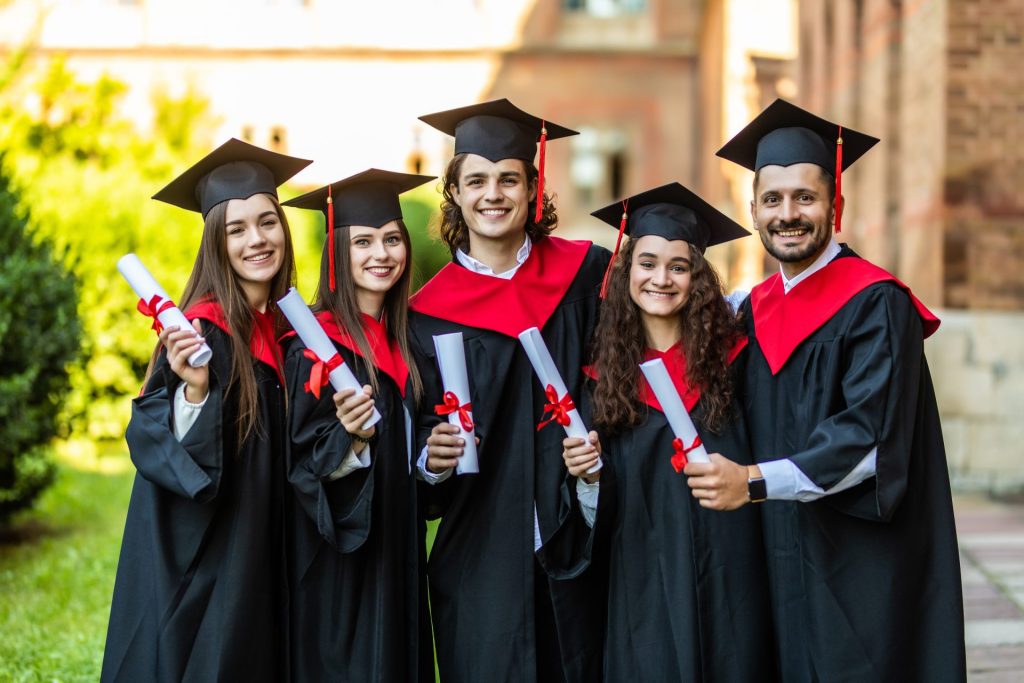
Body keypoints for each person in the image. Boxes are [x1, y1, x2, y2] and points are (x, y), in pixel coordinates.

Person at [687, 98, 965, 681]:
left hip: (858, 568)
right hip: (773, 559)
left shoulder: (876, 304)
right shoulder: (749, 312)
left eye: (804, 198)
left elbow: (867, 444)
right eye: (772, 200)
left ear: (835, 205)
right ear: (753, 210)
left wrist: (753, 481)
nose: (787, 214)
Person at [408, 98, 611, 682]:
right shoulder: (426, 315)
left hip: (582, 543)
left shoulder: (587, 276)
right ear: (455, 193)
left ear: (532, 188)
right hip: (479, 562)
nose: (492, 194)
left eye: (508, 179)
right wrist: (430, 459)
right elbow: (418, 443)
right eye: (476, 181)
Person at [101, 139, 310, 682]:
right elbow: (159, 445)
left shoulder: (291, 332)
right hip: (215, 559)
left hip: (268, 551)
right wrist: (195, 393)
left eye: (267, 222)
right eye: (236, 230)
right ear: (216, 244)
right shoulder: (202, 333)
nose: (257, 239)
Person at [561, 182, 775, 681]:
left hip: (732, 578)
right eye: (648, 263)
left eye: (678, 267)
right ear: (626, 272)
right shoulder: (601, 381)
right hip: (641, 585)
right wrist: (587, 477)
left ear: (697, 278)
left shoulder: (736, 363)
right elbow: (595, 517)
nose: (661, 278)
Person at [279, 169, 436, 682]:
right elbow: (299, 463)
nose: (381, 253)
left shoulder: (409, 346)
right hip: (336, 556)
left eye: (392, 239)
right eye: (363, 242)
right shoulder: (312, 349)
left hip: (399, 546)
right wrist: (351, 440)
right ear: (336, 254)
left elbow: (413, 454)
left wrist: (432, 458)